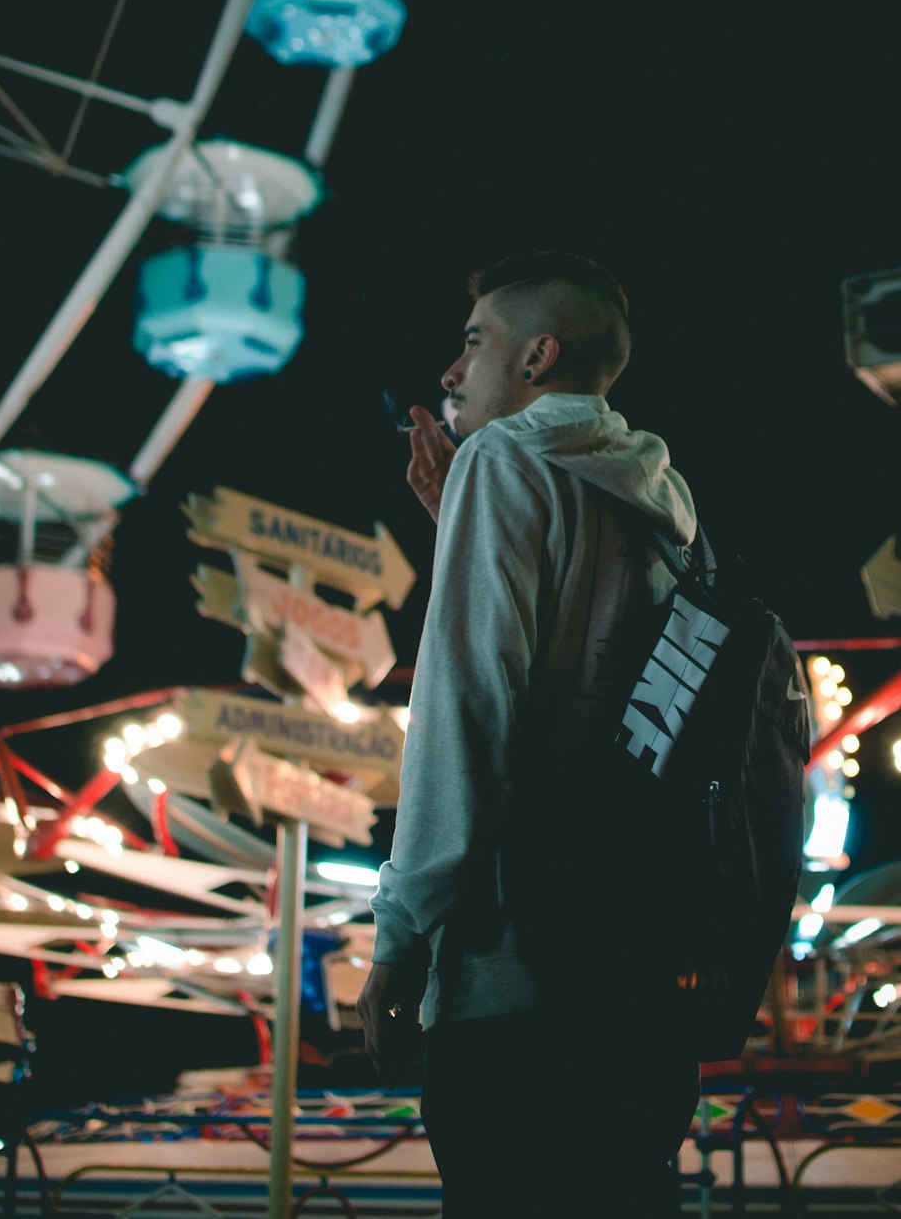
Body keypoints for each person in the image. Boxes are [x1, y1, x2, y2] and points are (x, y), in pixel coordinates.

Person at [357, 251, 702, 1217]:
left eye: (475, 344)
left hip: (517, 976)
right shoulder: (662, 495)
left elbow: (464, 718)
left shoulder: (504, 463)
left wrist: (401, 938)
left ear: (539, 356)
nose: (450, 373)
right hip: (637, 975)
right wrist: (455, 524)